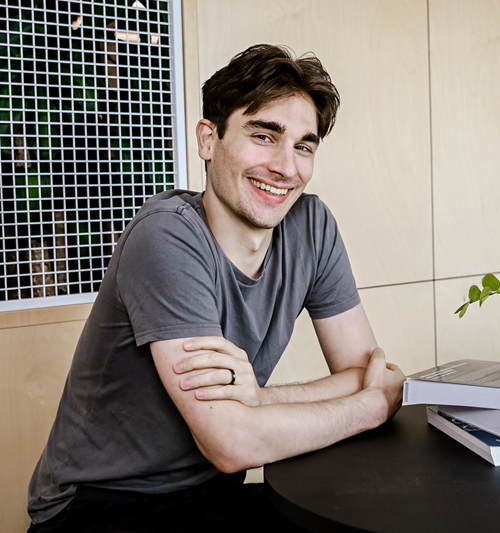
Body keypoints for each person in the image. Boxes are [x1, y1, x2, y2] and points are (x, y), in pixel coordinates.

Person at [26, 44, 406, 531]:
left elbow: (364, 367)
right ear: (208, 140)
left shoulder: (312, 226)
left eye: (303, 146)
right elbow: (232, 443)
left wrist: (260, 401)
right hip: (103, 503)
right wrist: (373, 405)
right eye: (264, 136)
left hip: (212, 492)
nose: (287, 168)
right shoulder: (165, 236)